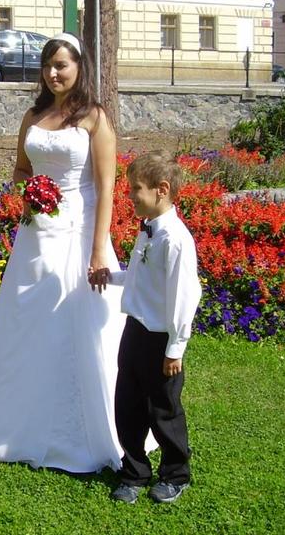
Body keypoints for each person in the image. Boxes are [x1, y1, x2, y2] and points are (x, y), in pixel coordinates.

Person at [0, 32, 127, 473]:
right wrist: (31, 191)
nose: (53, 73)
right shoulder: (33, 116)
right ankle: (13, 415)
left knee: (75, 323)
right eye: (48, 66)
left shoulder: (94, 118)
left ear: (79, 67)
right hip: (36, 233)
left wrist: (98, 251)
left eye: (61, 65)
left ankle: (82, 426)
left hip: (79, 232)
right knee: (27, 318)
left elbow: (106, 187)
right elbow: (22, 169)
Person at [108, 152, 201, 504]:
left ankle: (176, 473)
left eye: (136, 189)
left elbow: (184, 296)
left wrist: (175, 348)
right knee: (128, 404)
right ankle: (134, 471)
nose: (130, 195)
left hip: (161, 338)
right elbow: (142, 279)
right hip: (135, 330)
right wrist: (111, 277)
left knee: (164, 409)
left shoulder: (175, 239)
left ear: (161, 190)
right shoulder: (148, 230)